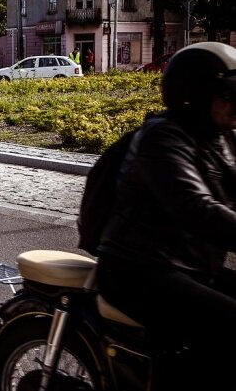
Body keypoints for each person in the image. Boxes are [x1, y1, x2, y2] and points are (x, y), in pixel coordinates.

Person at [95, 41, 236, 388]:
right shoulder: (163, 138)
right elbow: (196, 208)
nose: (234, 103)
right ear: (197, 94)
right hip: (139, 269)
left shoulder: (220, 137)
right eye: (228, 93)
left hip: (191, 264)